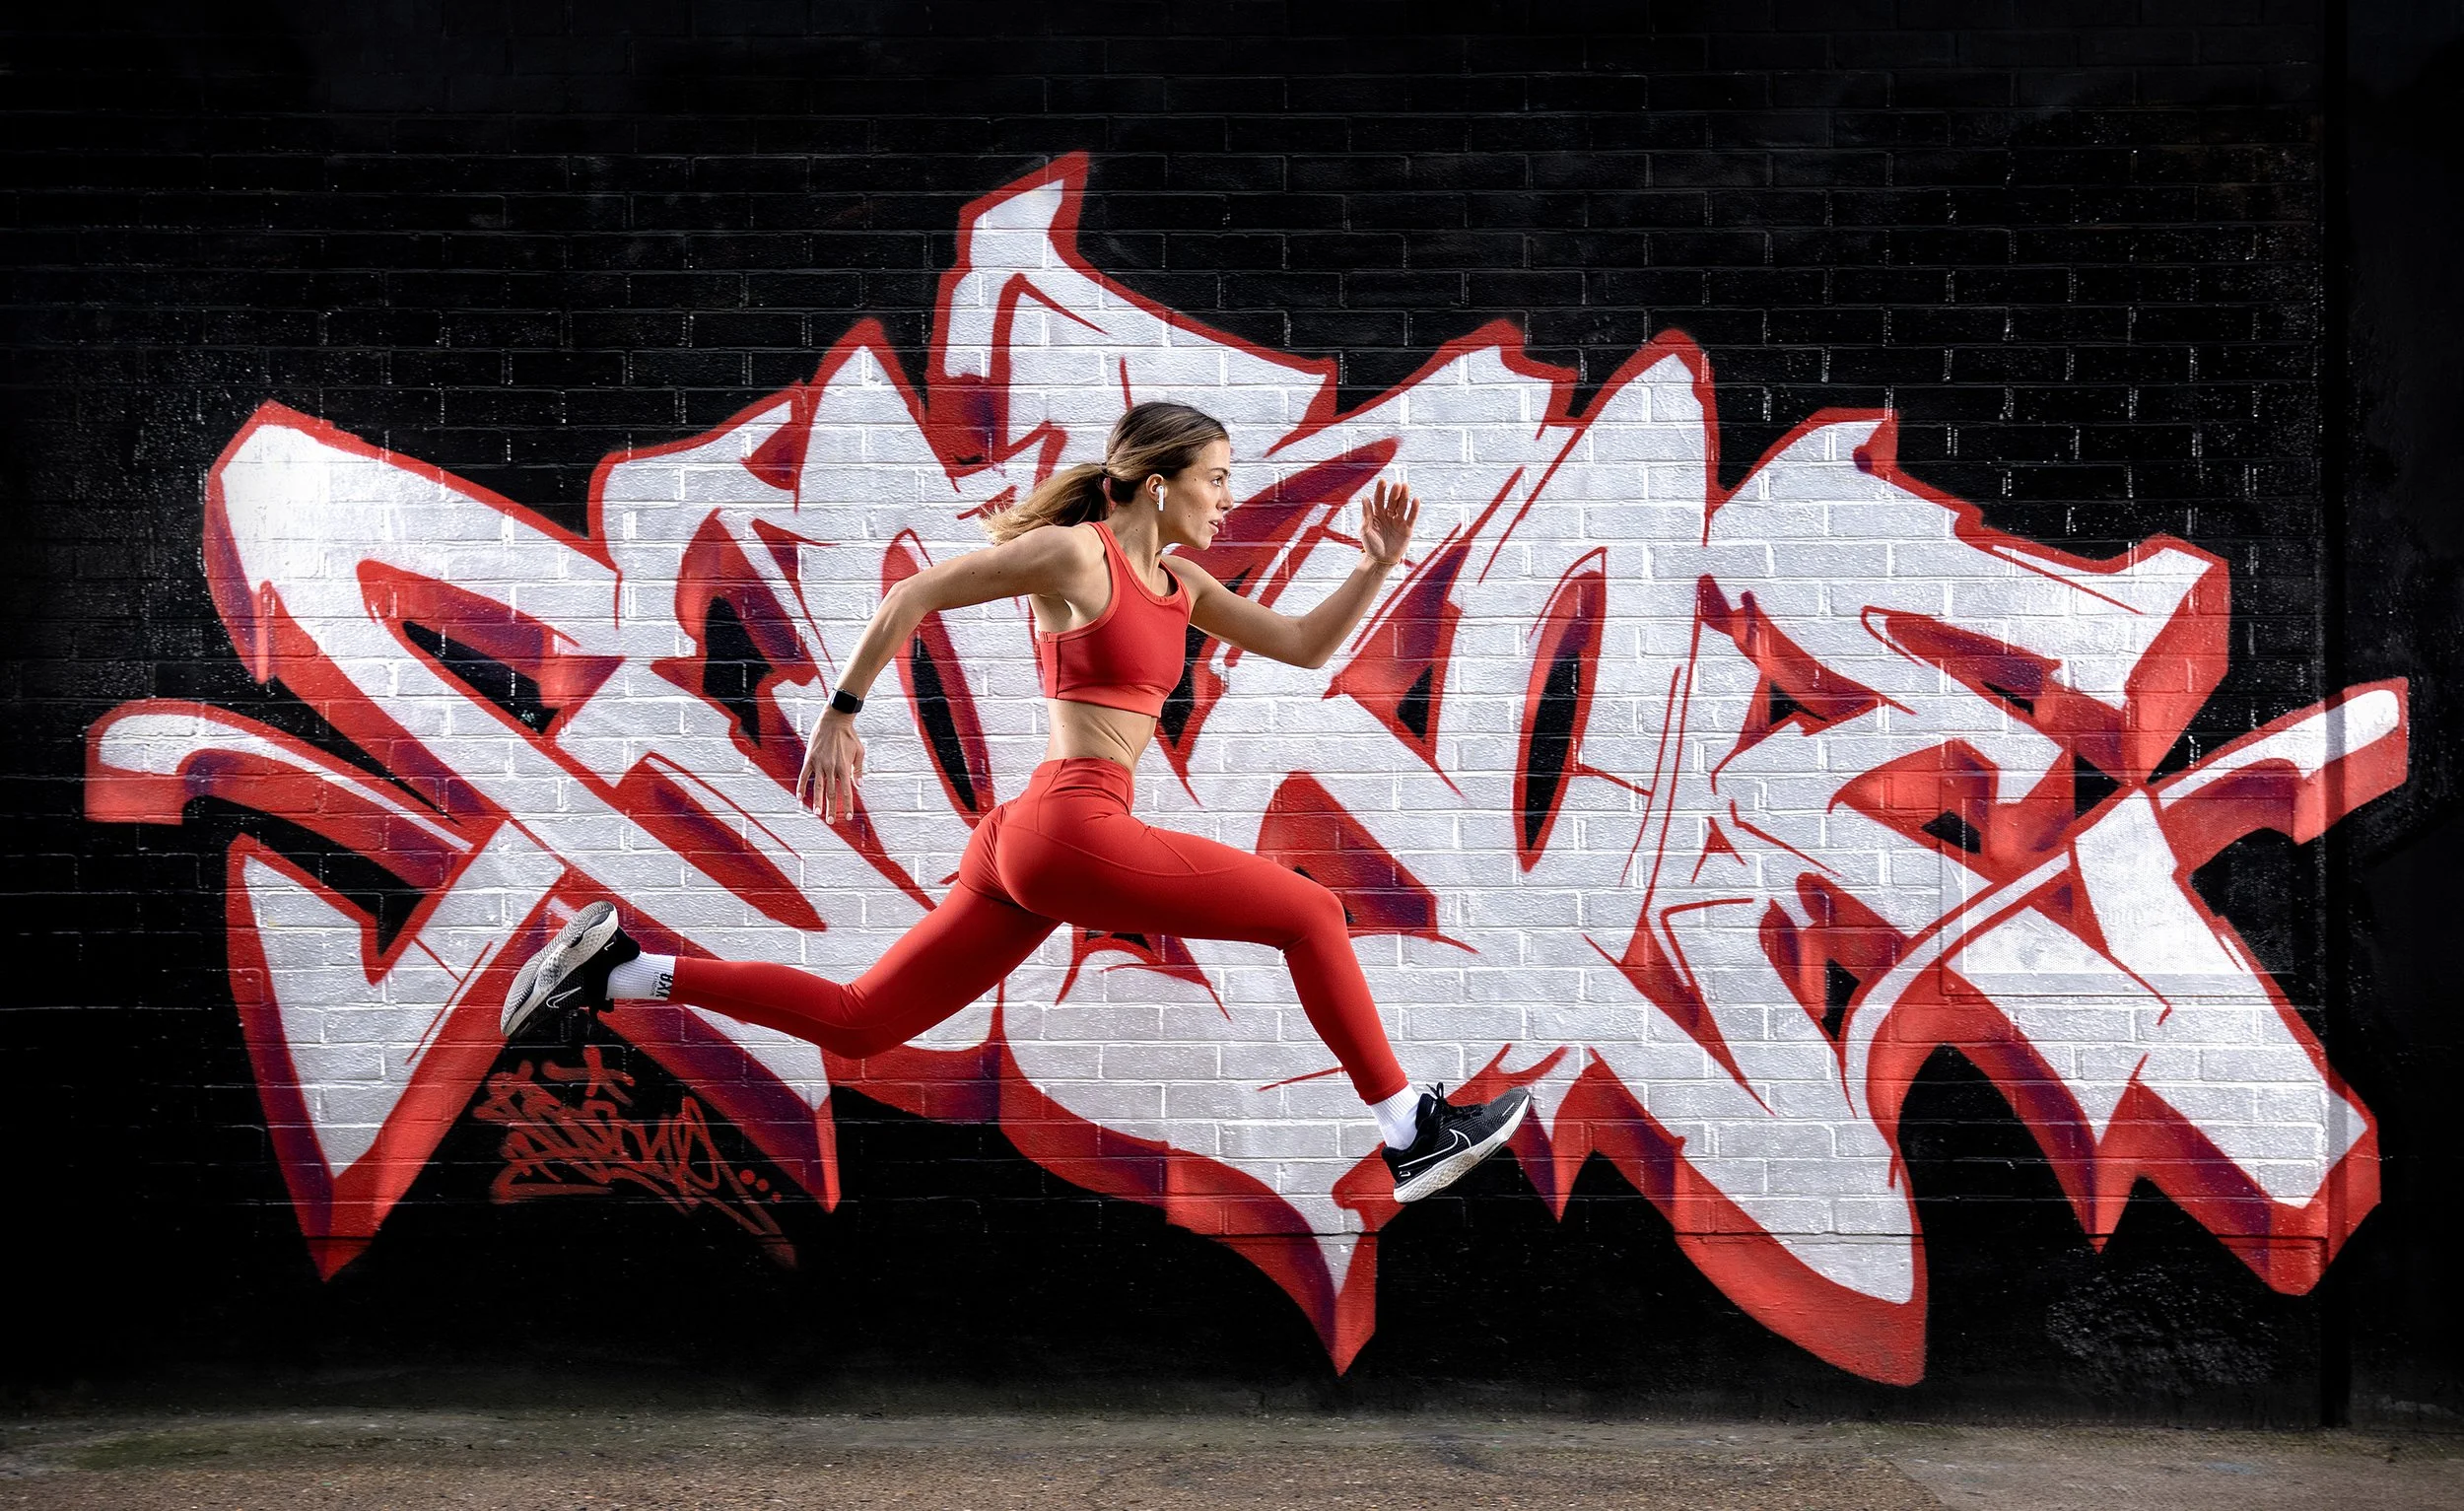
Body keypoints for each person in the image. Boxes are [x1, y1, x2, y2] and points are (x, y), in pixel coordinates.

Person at [503, 401, 1530, 1202]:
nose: (1226, 500)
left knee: (865, 1025)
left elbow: (1304, 646)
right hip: (1069, 825)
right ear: (1159, 481)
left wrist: (1375, 567)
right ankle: (1409, 1130)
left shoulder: (1180, 585)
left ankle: (624, 973)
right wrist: (844, 710)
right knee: (1308, 913)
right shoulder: (1076, 554)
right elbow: (915, 594)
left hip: (1032, 841)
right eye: (1215, 481)